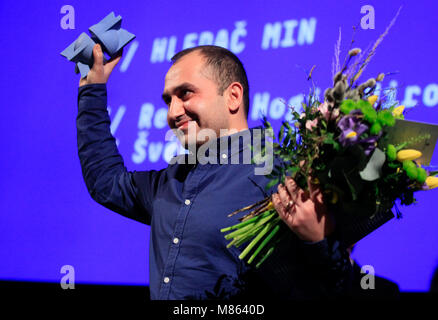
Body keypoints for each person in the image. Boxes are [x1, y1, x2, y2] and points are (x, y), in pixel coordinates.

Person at [76, 43, 353, 299]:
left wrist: (320, 242)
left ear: (233, 96)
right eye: (167, 101)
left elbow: (332, 287)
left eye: (185, 94)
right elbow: (105, 181)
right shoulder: (170, 181)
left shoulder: (285, 174)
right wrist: (92, 89)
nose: (172, 113)